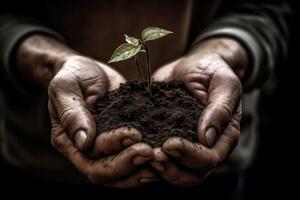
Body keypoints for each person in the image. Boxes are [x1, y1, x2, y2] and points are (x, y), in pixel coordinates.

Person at [0, 0, 292, 196]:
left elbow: (265, 9)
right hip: (42, 167)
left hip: (211, 171)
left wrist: (227, 52)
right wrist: (48, 64)